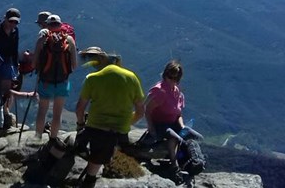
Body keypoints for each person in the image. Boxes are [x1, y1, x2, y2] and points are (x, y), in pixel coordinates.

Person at [74, 47, 145, 188]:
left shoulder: (93, 78)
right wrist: (127, 123)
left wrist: (81, 125)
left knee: (92, 155)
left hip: (96, 128)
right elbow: (140, 111)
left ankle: (89, 180)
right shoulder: (131, 77)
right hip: (121, 132)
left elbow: (79, 108)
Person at [31, 14, 77, 141]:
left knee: (42, 111)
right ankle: (53, 139)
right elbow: (74, 65)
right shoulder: (69, 40)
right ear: (60, 24)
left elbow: (33, 64)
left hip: (45, 81)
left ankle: (38, 138)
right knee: (57, 114)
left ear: (48, 25)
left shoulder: (42, 39)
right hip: (62, 82)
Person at [145, 60, 185, 174]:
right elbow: (147, 110)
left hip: (173, 123)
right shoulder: (160, 91)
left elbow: (178, 114)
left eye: (176, 78)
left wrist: (183, 126)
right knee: (175, 137)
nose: (173, 80)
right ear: (165, 75)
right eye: (170, 77)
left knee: (192, 136)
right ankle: (174, 164)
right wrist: (151, 128)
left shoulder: (177, 92)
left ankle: (186, 161)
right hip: (160, 124)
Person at [0, 8, 21, 128]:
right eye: (11, 21)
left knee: (7, 90)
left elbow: (14, 49)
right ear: (5, 18)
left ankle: (4, 112)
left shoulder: (15, 31)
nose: (13, 24)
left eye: (16, 22)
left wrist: (16, 65)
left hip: (8, 62)